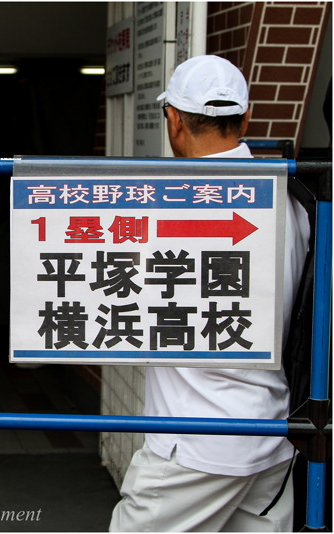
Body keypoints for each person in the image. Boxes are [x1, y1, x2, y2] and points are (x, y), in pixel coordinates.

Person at [109, 55, 311, 532]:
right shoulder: (292, 200)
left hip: (193, 445)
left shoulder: (158, 206)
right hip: (273, 435)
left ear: (174, 121)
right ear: (243, 119)